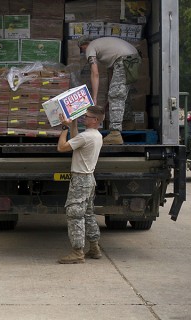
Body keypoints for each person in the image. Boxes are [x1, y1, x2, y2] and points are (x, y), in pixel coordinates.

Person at [56, 105, 105, 264]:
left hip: (80, 180)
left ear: (95, 120)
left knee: (75, 214)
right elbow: (77, 141)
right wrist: (74, 124)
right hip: (89, 179)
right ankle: (94, 248)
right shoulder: (95, 135)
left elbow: (62, 147)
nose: (85, 118)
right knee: (88, 214)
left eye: (87, 116)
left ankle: (77, 252)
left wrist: (64, 127)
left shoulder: (87, 137)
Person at [78, 36, 141, 145]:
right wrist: (109, 97)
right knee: (121, 93)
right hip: (133, 59)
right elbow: (113, 74)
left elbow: (95, 74)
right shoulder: (105, 47)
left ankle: (115, 134)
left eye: (82, 49)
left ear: (84, 45)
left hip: (124, 60)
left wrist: (94, 98)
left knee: (116, 95)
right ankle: (127, 123)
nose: (84, 52)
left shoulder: (90, 47)